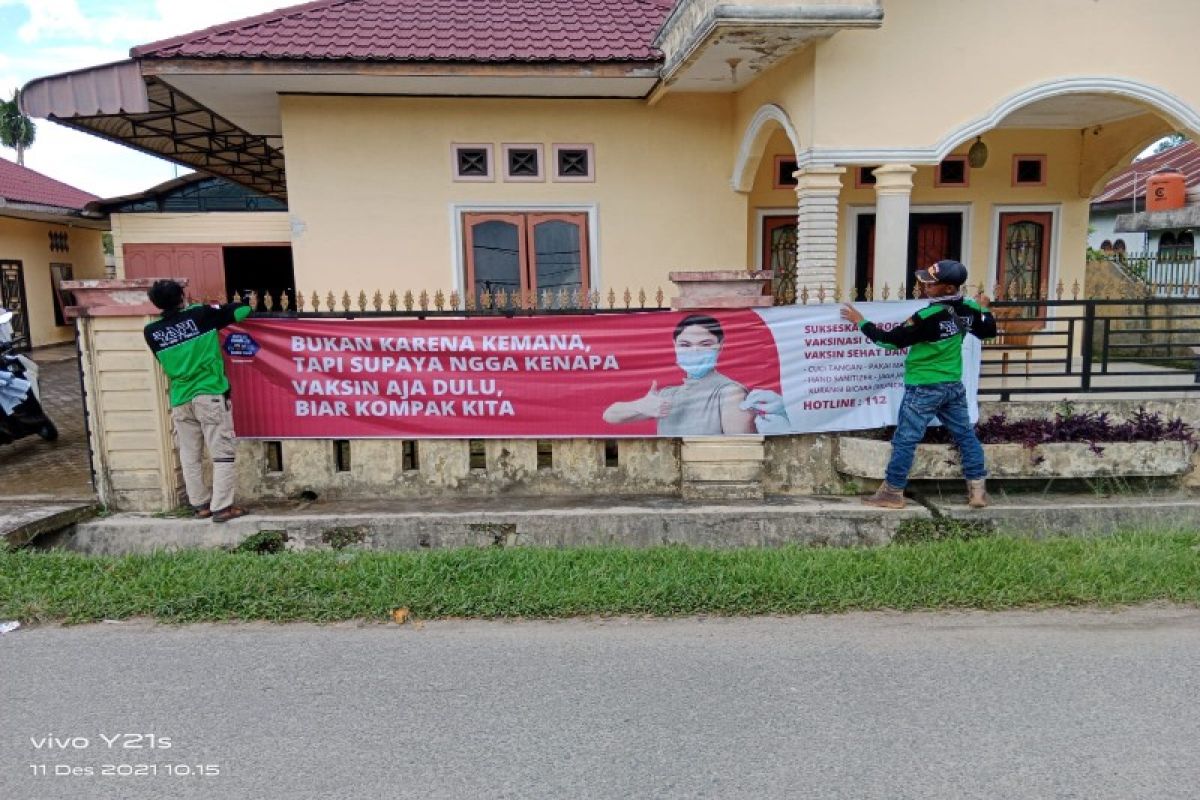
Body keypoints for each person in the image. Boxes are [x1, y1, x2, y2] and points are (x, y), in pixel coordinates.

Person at [839, 259, 997, 509]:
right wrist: (985, 309)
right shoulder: (969, 308)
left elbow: (889, 341)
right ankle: (977, 491)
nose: (924, 285)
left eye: (931, 283)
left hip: (923, 387)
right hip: (952, 385)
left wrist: (860, 321)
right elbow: (988, 332)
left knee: (905, 439)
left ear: (947, 288)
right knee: (965, 435)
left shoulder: (926, 317)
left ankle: (892, 493)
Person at [143, 279, 252, 523]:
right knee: (222, 454)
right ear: (182, 297)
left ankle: (200, 505)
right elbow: (243, 311)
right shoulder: (200, 315)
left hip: (181, 398)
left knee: (189, 455)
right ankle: (222, 508)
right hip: (209, 394)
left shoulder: (151, 332)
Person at [603, 314, 756, 435]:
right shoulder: (669, 395)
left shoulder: (730, 392)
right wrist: (640, 406)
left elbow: (740, 449)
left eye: (705, 344)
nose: (694, 350)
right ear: (675, 346)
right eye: (685, 345)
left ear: (720, 346)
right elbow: (610, 415)